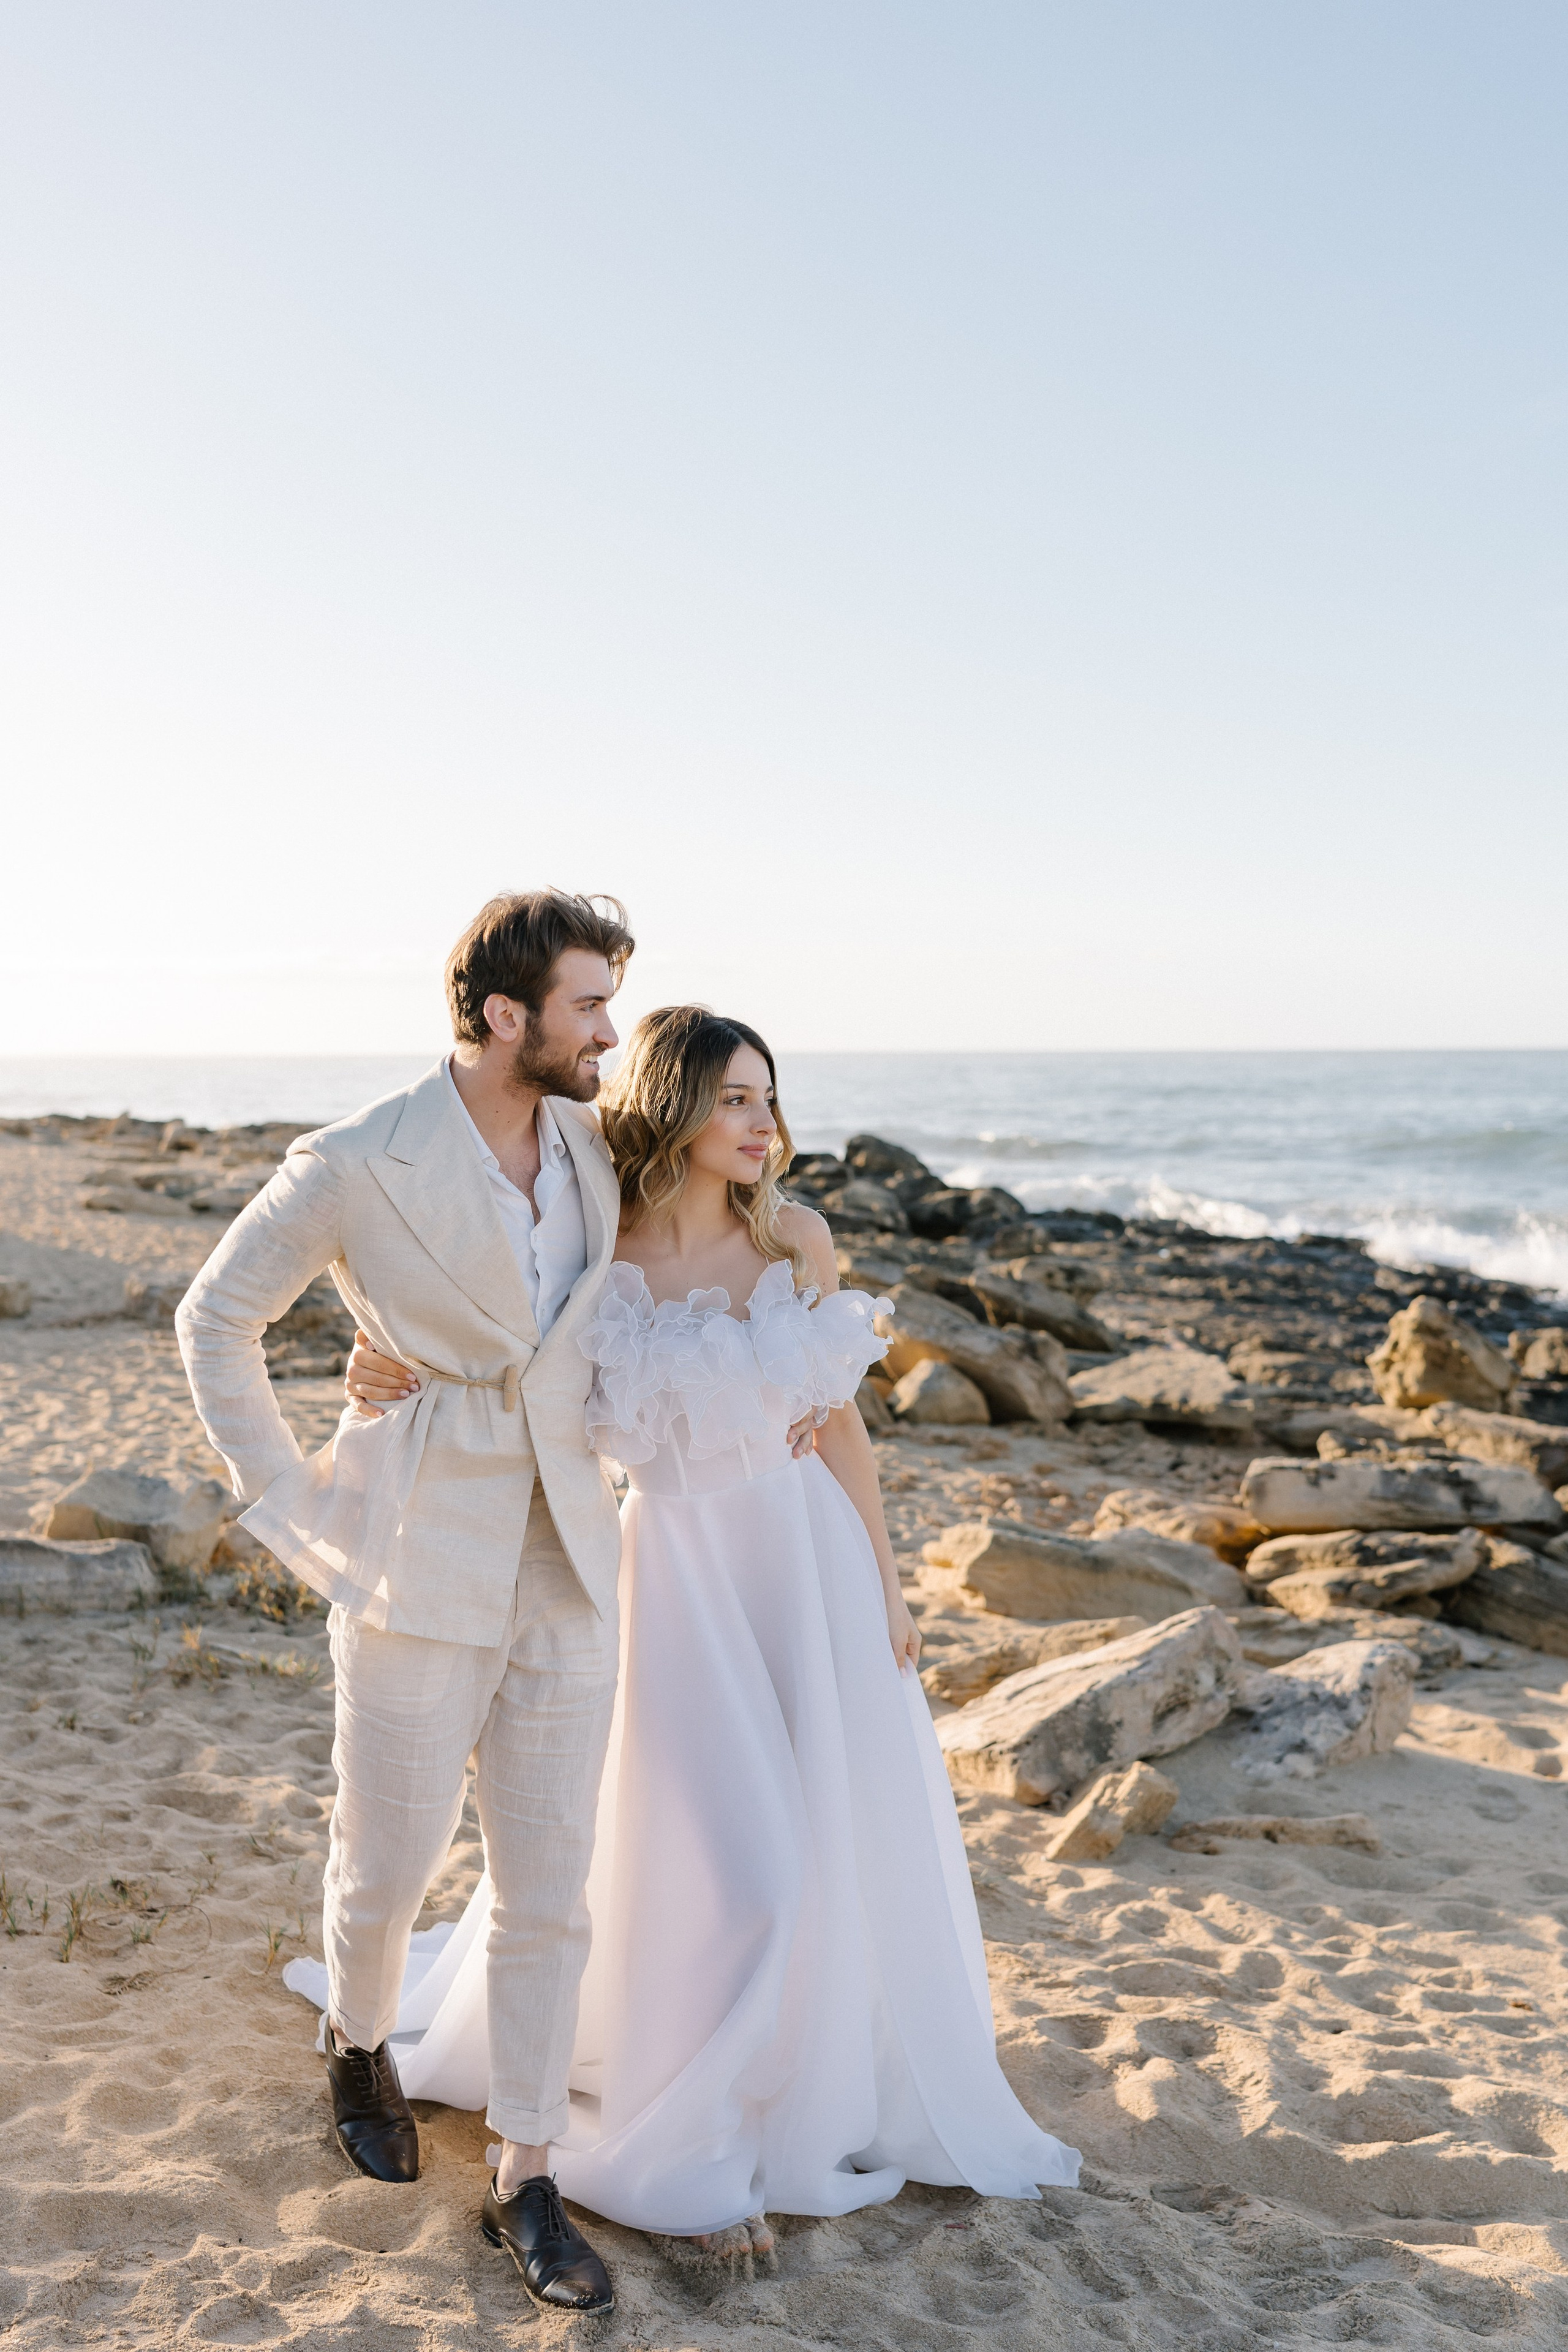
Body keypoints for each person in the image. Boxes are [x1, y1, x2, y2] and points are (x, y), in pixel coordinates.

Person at [335, 1003, 1080, 2257]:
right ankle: (699, 2137)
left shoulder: (794, 1240)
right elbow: (488, 1353)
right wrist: (373, 1362)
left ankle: (772, 2101)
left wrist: (889, 1586)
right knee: (732, 1869)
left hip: (806, 1569)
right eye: (733, 1098)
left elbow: (837, 1420)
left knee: (816, 1844)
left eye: (768, 1099)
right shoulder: (594, 1248)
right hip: (666, 1574)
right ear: (673, 1109)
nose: (761, 1125)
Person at [177, 889, 639, 2318]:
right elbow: (215, 1317)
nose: (609, 1034)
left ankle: (525, 2171)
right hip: (415, 1540)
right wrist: (297, 1494)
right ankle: (358, 2045)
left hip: (571, 1548)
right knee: (385, 1858)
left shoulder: (591, 1144)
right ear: (504, 1016)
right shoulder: (356, 1161)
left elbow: (678, 1253)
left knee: (548, 1887)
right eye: (584, 1007)